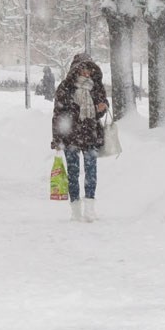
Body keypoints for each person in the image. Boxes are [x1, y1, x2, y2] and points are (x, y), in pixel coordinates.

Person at [51, 53, 109, 222]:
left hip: (90, 134)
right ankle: (75, 209)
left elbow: (100, 110)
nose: (87, 72)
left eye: (89, 69)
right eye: (84, 69)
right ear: (76, 70)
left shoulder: (96, 87)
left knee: (91, 171)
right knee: (73, 172)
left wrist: (102, 107)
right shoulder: (65, 88)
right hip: (71, 136)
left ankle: (90, 208)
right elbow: (58, 114)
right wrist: (57, 139)